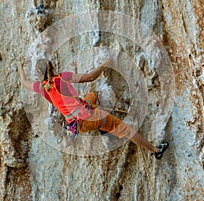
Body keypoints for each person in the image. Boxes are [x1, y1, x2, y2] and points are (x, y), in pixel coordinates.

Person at [20, 57, 169, 159]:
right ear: (52, 67)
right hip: (87, 117)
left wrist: (20, 68)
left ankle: (103, 126)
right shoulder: (62, 77)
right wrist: (103, 65)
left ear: (39, 75)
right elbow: (90, 77)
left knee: (92, 95)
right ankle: (155, 150)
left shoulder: (42, 87)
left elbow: (24, 82)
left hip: (74, 123)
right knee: (125, 129)